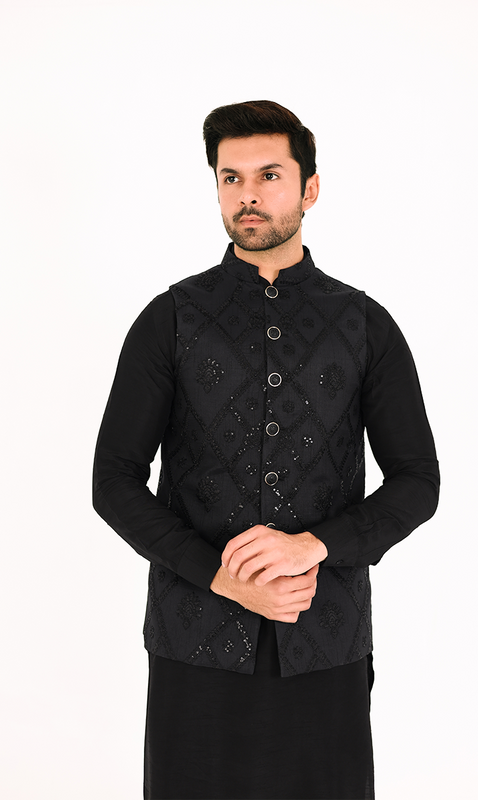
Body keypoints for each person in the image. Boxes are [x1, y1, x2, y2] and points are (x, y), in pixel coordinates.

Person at [93, 100, 439, 800]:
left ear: (310, 189)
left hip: (326, 642)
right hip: (194, 639)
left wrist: (313, 545)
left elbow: (416, 481)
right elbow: (114, 481)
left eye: (269, 175)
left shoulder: (364, 324)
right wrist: (220, 575)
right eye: (231, 178)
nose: (247, 194)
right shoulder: (170, 319)